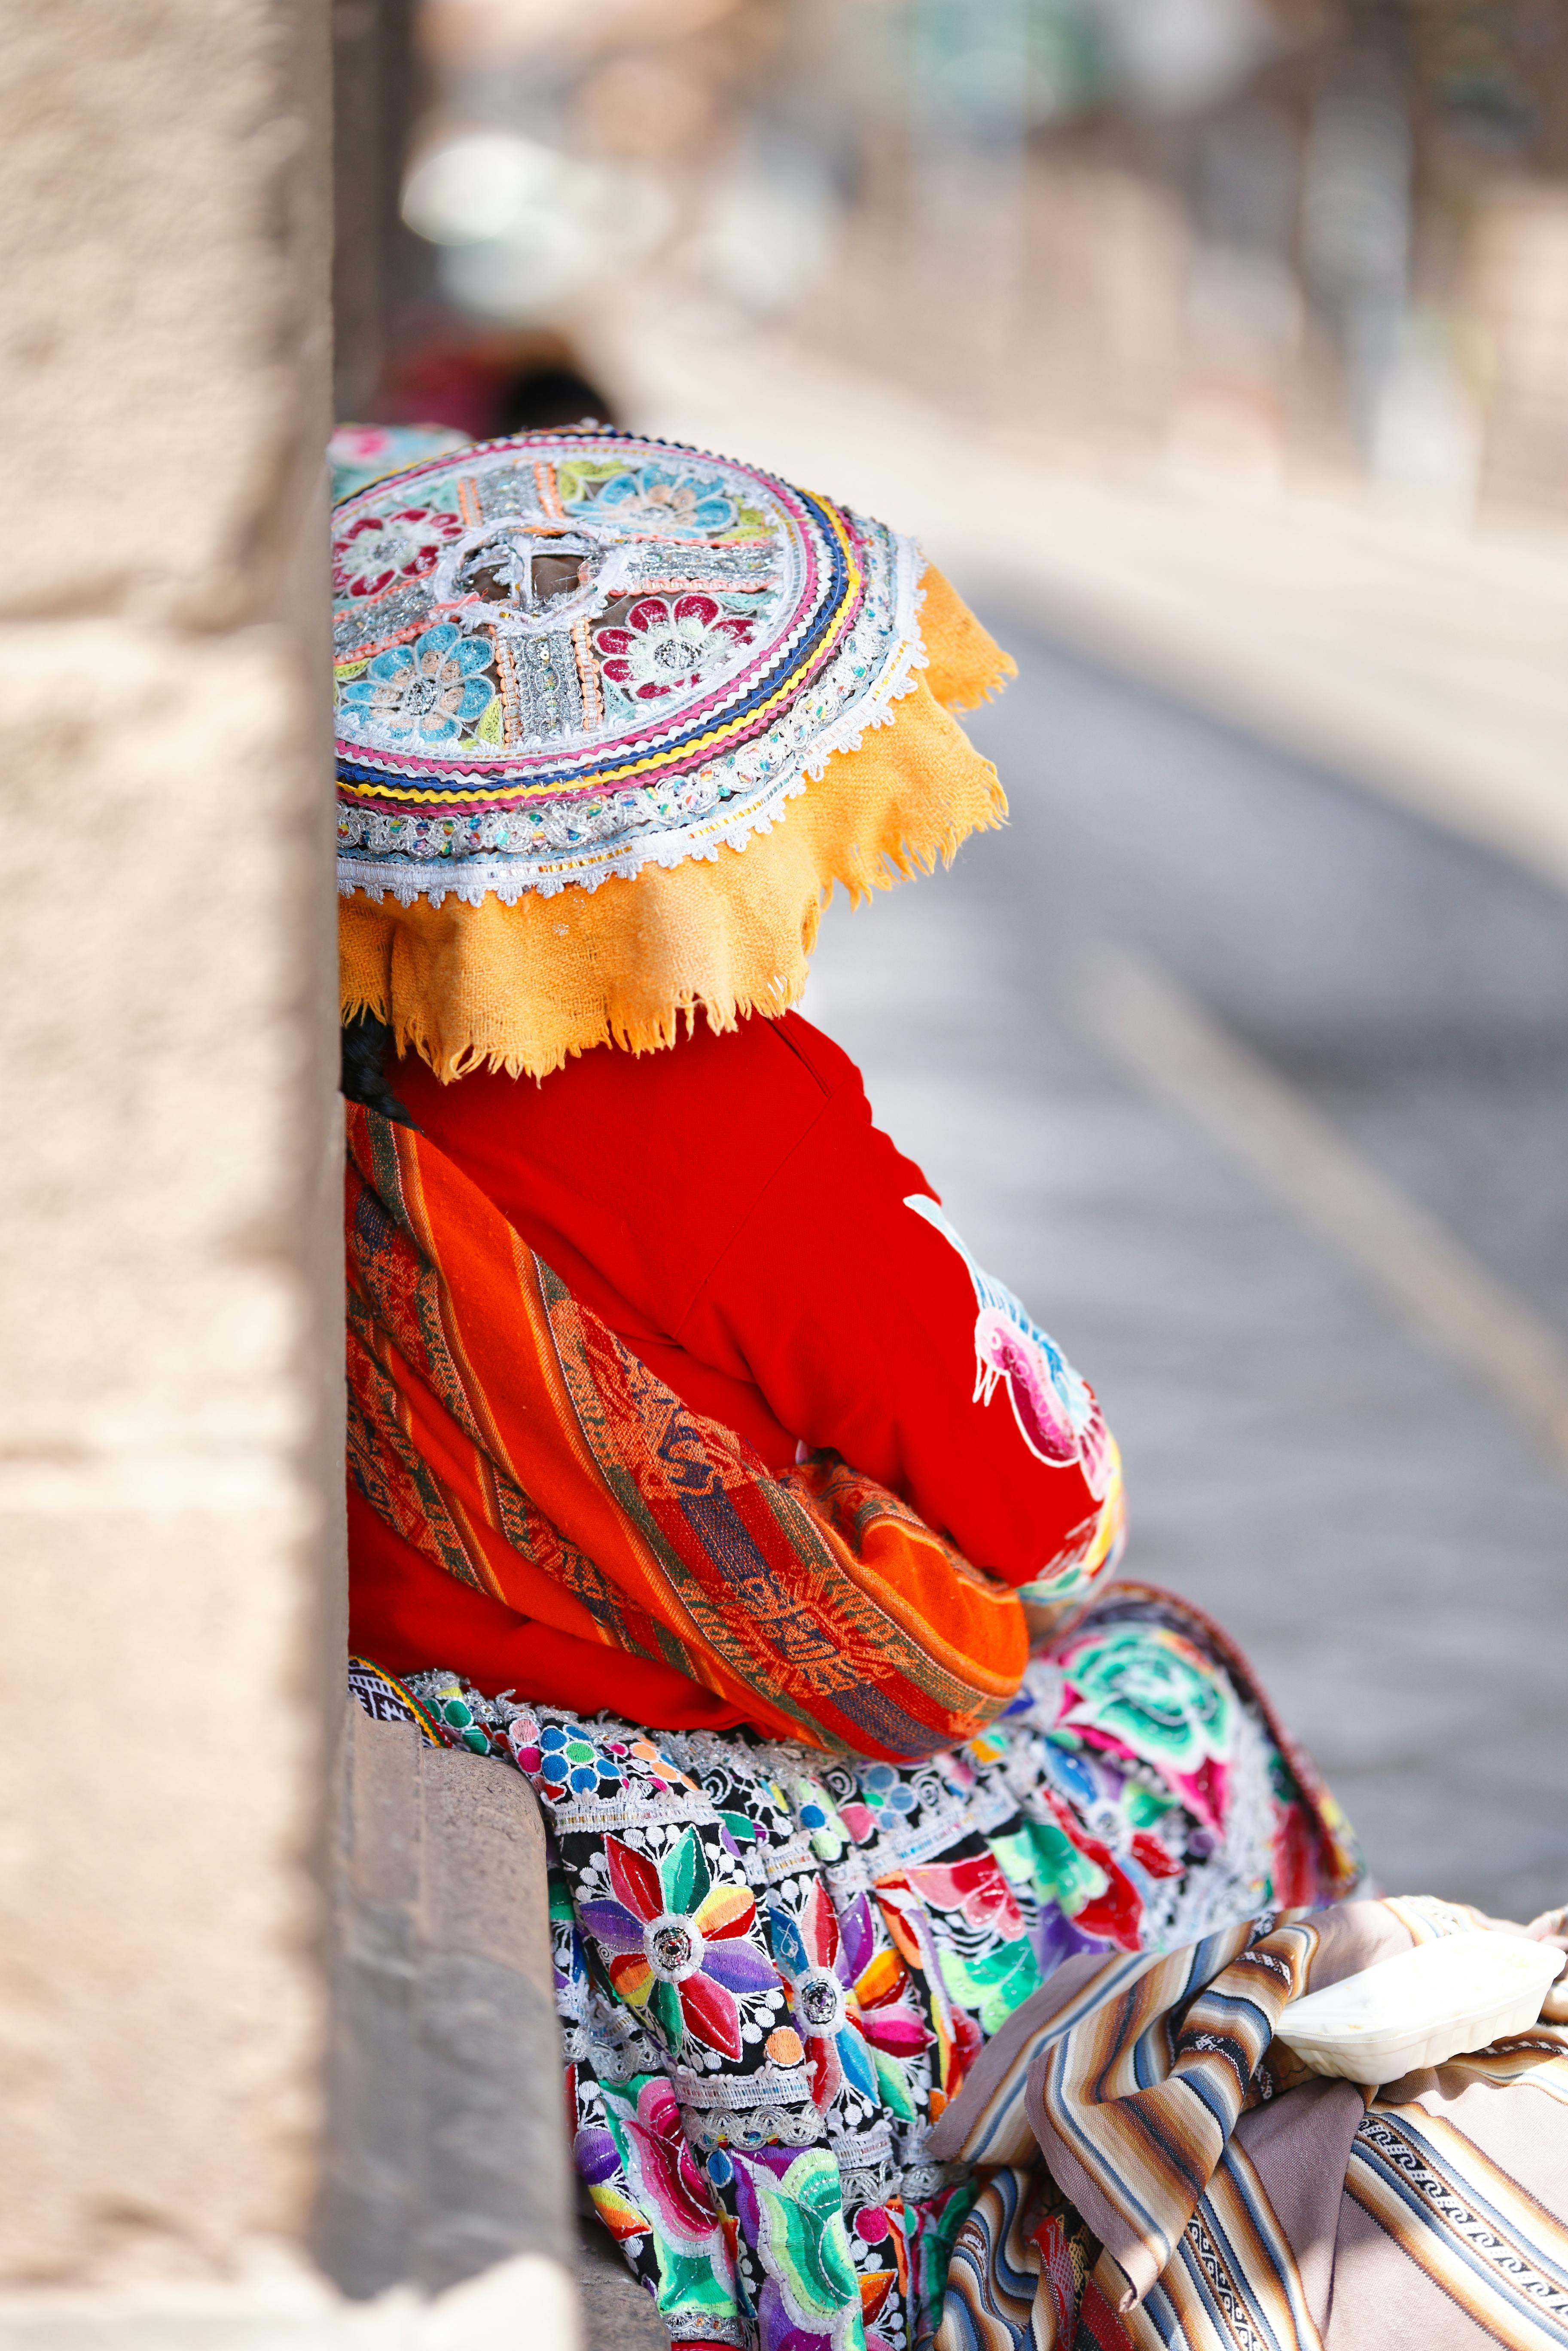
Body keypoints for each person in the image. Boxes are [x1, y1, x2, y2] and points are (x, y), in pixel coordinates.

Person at [333, 423, 1363, 2351]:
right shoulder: (723, 1106)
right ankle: (1178, 2233)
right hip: (709, 1866)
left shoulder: (338, 1060)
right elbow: (1049, 1503)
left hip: (463, 1766)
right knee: (1168, 1692)